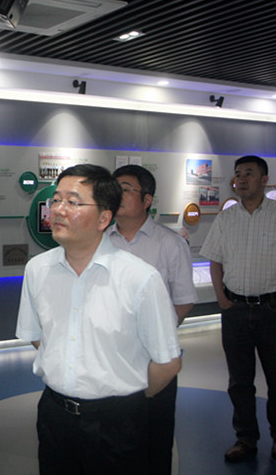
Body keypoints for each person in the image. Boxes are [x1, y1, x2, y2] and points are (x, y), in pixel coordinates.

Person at [16, 164, 181, 474]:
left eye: (73, 202)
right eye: (56, 200)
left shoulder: (140, 278)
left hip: (117, 422)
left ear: (104, 218)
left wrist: (125, 398)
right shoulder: (37, 269)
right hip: (54, 415)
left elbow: (167, 362)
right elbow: (38, 337)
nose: (58, 210)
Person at [201, 155, 276, 463]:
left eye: (248, 173)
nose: (241, 179)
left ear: (264, 180)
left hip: (272, 310)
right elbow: (215, 262)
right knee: (239, 382)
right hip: (236, 310)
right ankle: (245, 438)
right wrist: (222, 300)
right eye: (238, 174)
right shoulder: (227, 218)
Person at [106, 164, 197, 475]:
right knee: (111, 440)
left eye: (125, 189)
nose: (117, 195)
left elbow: (183, 300)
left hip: (154, 358)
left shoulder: (170, 243)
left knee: (154, 438)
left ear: (147, 200)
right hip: (109, 356)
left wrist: (155, 335)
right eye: (113, 188)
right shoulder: (100, 241)